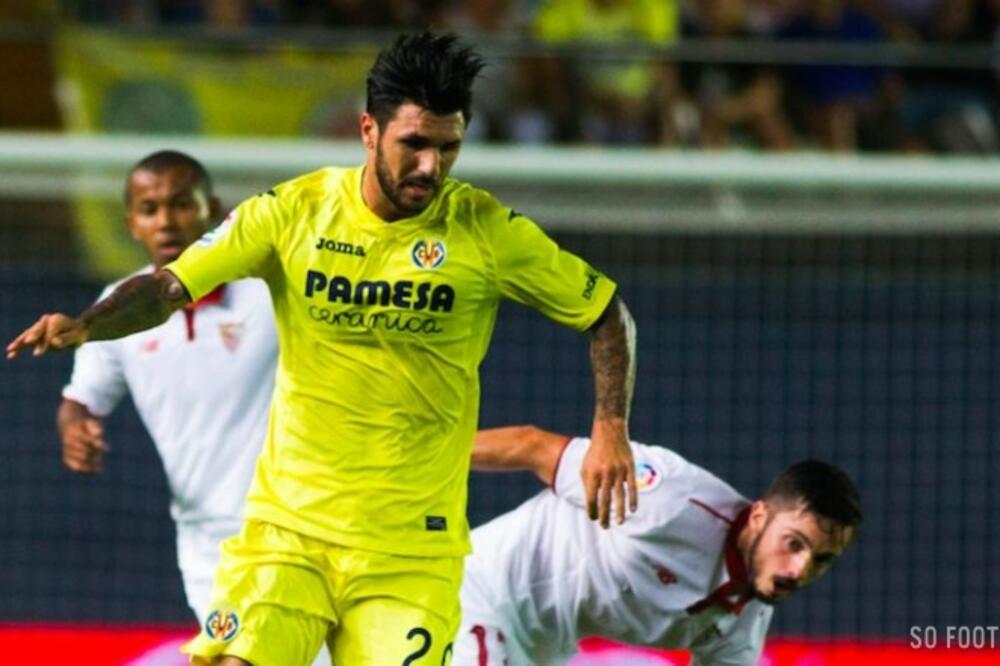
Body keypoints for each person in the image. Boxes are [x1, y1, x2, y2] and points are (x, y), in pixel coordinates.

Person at [7, 32, 638, 666]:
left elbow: (607, 313)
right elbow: (168, 287)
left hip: (410, 552)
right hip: (289, 534)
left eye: (448, 148)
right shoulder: (293, 213)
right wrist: (88, 325)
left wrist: (610, 425)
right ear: (369, 130)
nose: (430, 167)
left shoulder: (488, 232)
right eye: (413, 144)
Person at [58, 150, 282, 624]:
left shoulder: (270, 292)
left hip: (293, 527)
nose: (166, 222)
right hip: (206, 545)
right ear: (132, 224)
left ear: (214, 210)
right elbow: (81, 401)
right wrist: (76, 430)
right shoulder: (115, 311)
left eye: (181, 204)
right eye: (149, 209)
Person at [455, 425, 862, 665]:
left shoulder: (743, 626)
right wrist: (414, 461)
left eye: (822, 560)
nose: (800, 570)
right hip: (480, 594)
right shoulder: (668, 497)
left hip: (539, 650)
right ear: (758, 517)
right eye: (794, 543)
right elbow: (532, 446)